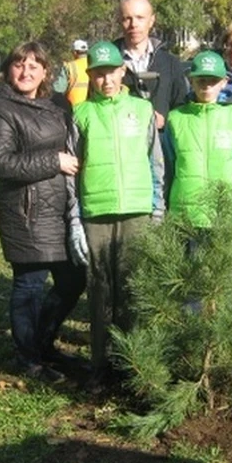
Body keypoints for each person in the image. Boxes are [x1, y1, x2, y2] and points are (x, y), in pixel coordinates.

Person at [0, 41, 87, 383]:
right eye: (18, 65)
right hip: (26, 212)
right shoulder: (1, 109)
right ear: (9, 69)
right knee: (29, 285)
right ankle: (28, 359)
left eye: (33, 66)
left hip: (59, 210)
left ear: (45, 72)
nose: (25, 72)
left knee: (73, 280)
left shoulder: (57, 103)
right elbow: (0, 162)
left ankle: (43, 343)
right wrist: (53, 161)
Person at [67, 41, 164, 388]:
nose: (106, 80)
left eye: (111, 72)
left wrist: (158, 208)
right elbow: (72, 171)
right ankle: (100, 366)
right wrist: (75, 218)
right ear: (90, 75)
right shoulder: (81, 115)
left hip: (137, 210)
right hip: (96, 212)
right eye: (98, 73)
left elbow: (156, 162)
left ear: (122, 71)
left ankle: (132, 366)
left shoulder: (141, 110)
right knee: (100, 291)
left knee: (132, 290)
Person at [162, 51, 232, 227]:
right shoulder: (176, 118)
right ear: (191, 80)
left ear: (224, 82)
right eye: (201, 80)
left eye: (213, 80)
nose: (207, 86)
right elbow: (169, 161)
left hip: (225, 208)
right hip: (186, 209)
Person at [114, 0, 189, 130]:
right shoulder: (109, 64)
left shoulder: (170, 63)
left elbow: (182, 108)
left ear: (151, 20)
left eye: (140, 18)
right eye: (127, 18)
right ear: (119, 21)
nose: (133, 24)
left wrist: (165, 121)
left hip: (161, 144)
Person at [63, 39, 90, 106]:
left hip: (72, 109)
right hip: (91, 110)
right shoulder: (93, 65)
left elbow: (58, 91)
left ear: (74, 52)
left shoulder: (69, 66)